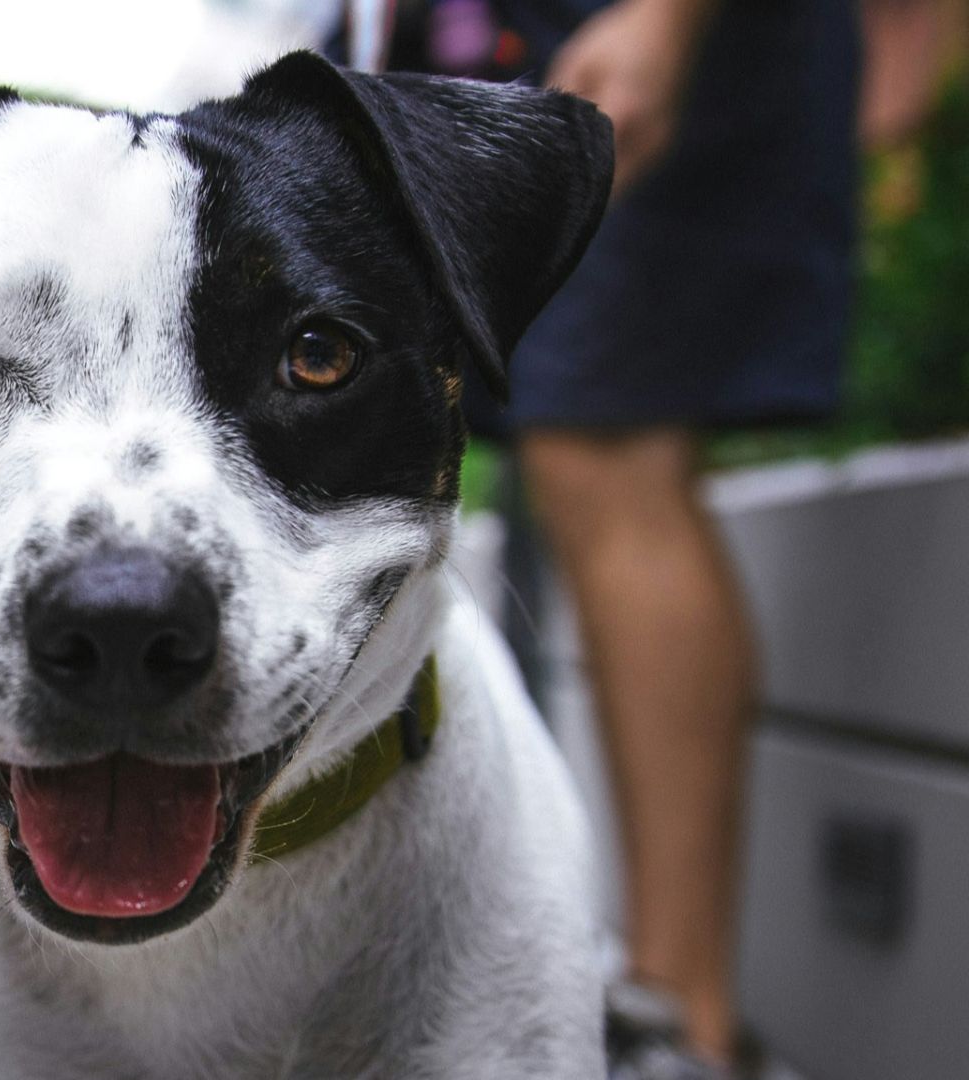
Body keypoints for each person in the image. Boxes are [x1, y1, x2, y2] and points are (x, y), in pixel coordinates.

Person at [345, 0, 861, 1075]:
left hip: (631, 35)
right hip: (506, 40)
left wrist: (666, 20)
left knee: (606, 445)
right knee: (558, 439)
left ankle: (686, 1023)